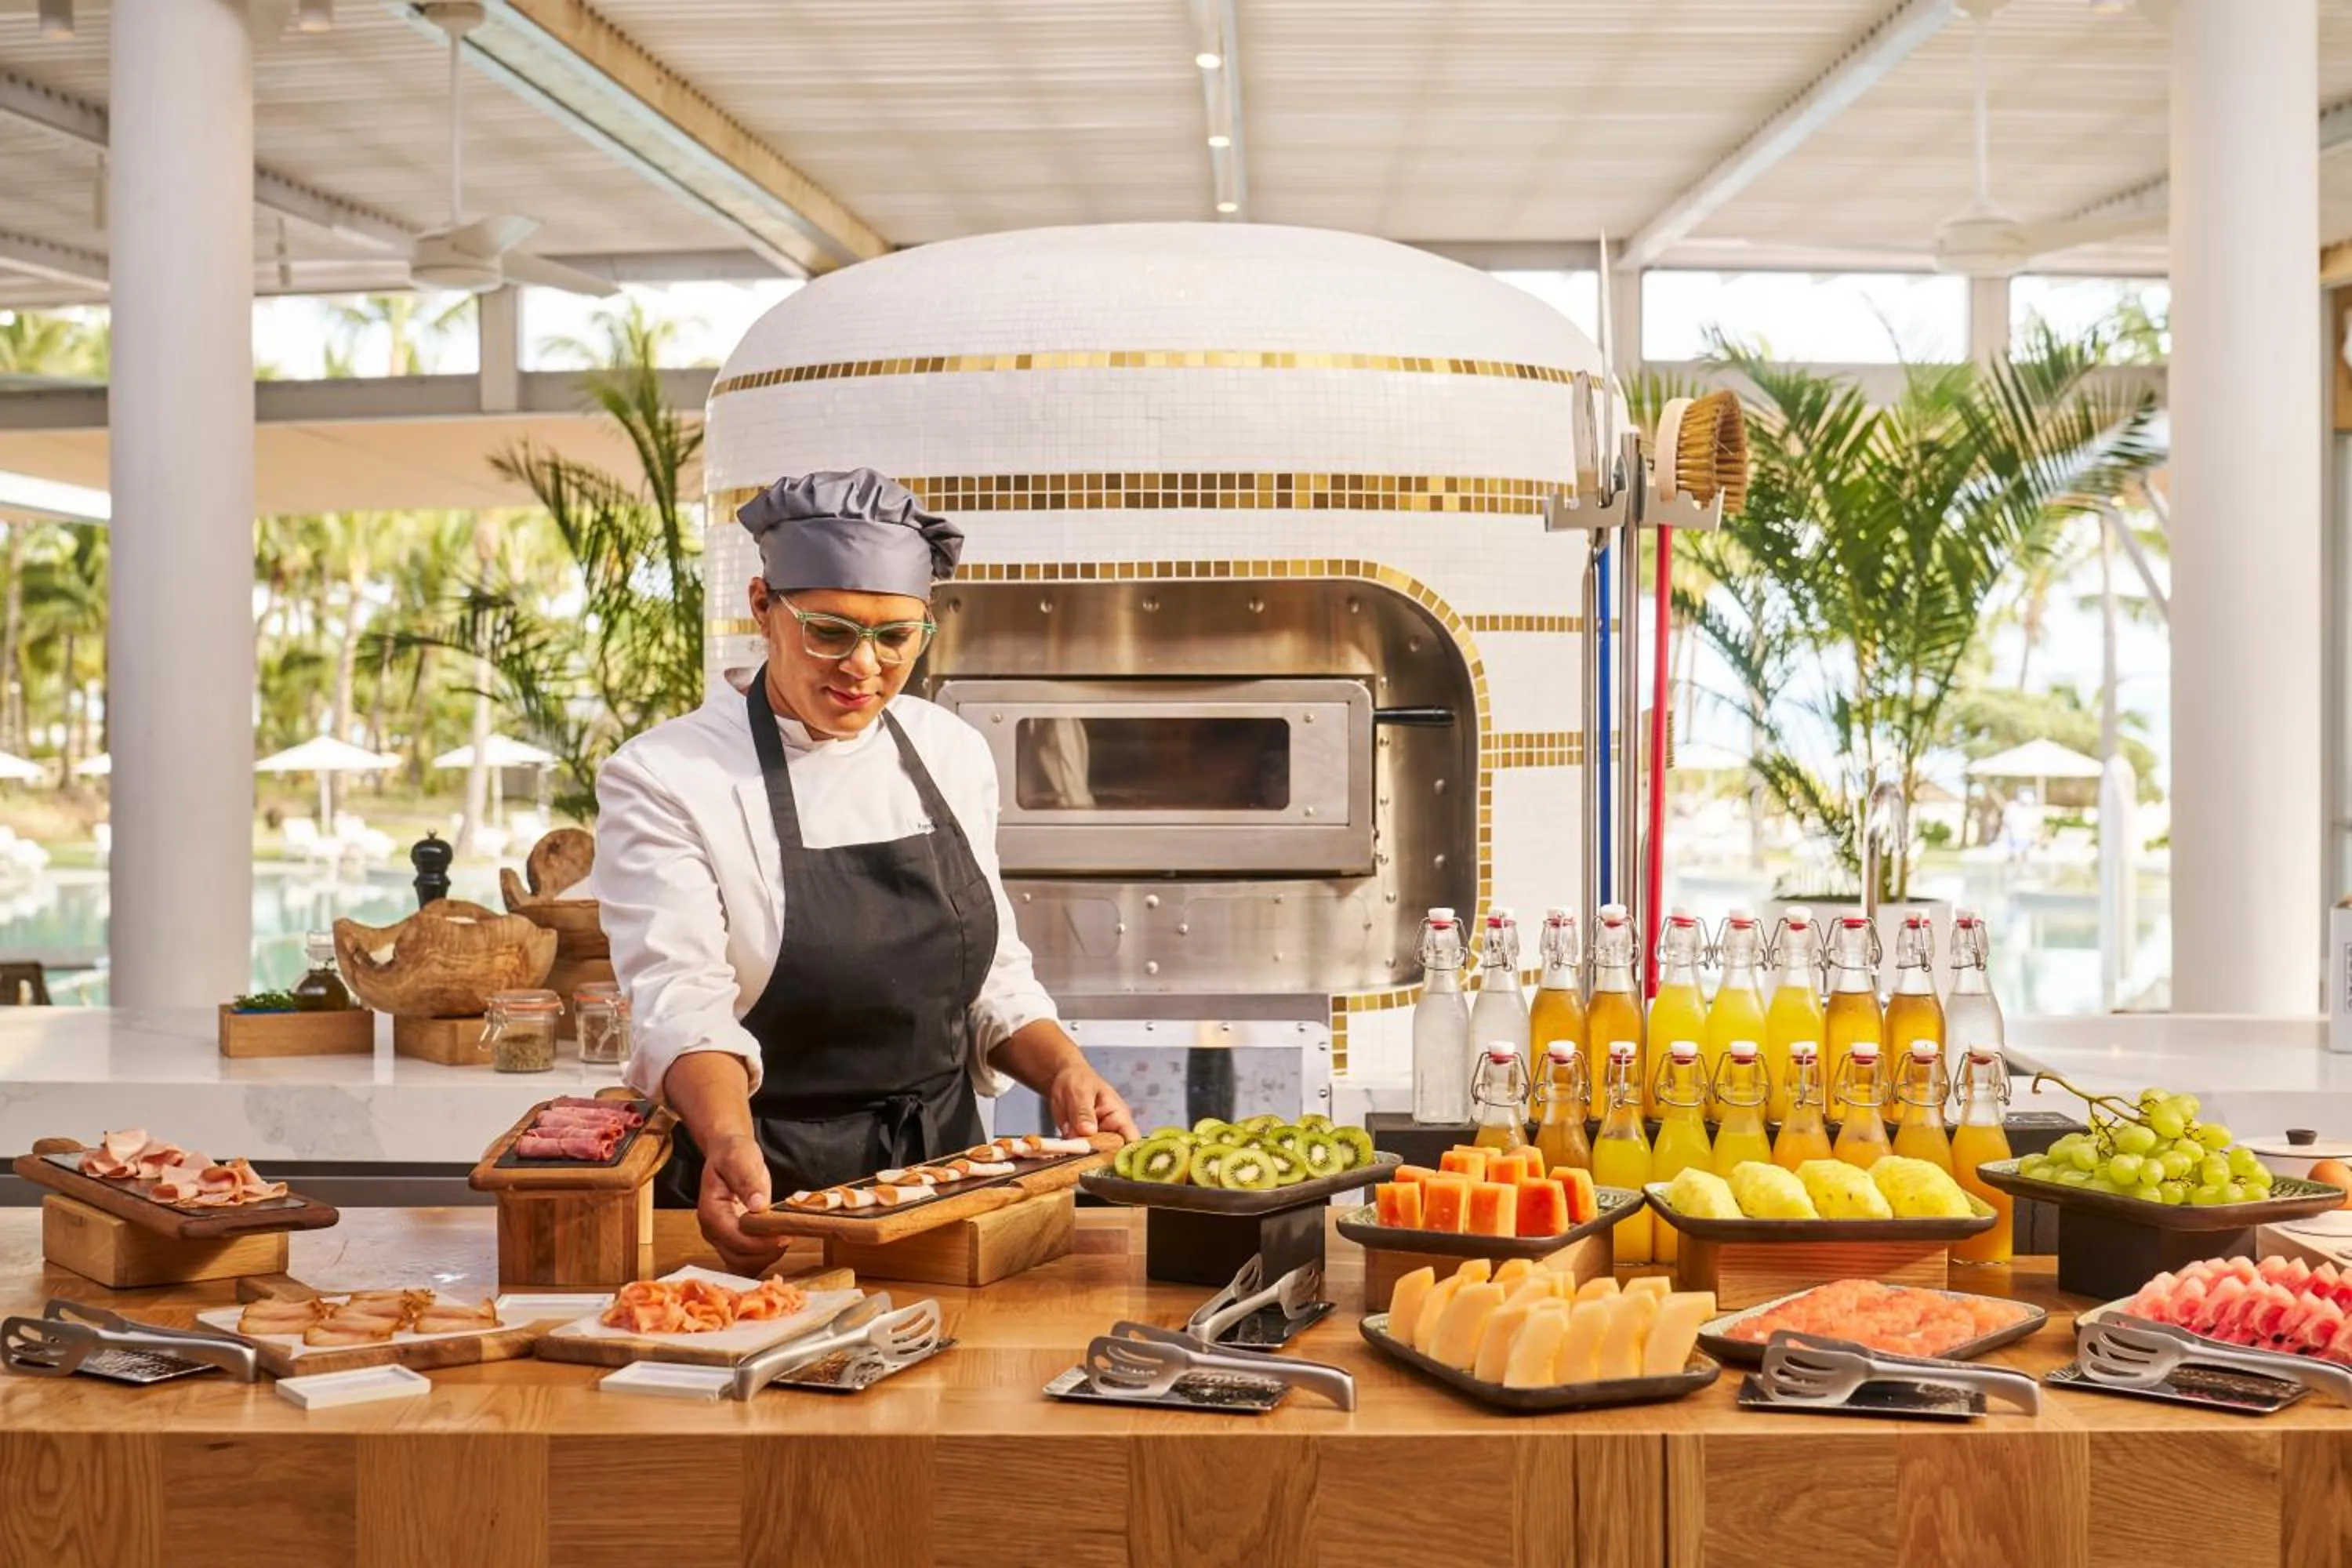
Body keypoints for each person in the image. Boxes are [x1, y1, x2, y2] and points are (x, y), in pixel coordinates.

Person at [594, 468, 1136, 1270]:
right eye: (830, 631)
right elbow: (680, 1002)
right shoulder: (667, 774)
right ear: (762, 606)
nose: (864, 665)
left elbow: (989, 973)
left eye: (896, 636)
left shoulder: (950, 750)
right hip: (762, 1188)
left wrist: (1065, 1070)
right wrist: (730, 1142)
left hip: (945, 1185)